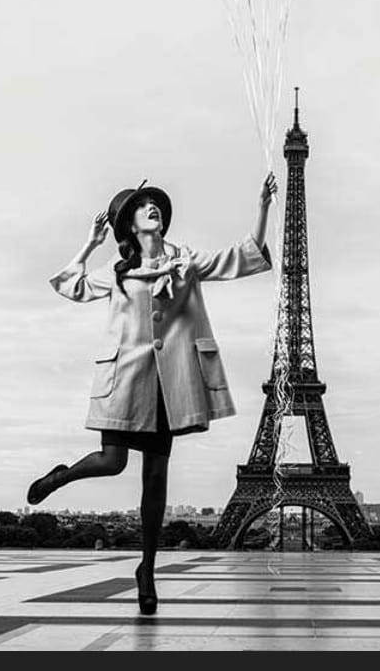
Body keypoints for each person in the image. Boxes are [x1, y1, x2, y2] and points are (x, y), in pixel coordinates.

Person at [27, 173, 277, 614]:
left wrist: (263, 207)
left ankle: (148, 572)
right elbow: (72, 286)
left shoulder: (186, 260)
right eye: (143, 207)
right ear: (131, 226)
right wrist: (89, 244)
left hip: (170, 381)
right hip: (126, 375)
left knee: (155, 480)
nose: (153, 209)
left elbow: (238, 258)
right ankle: (60, 476)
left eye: (154, 205)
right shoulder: (118, 271)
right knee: (112, 460)